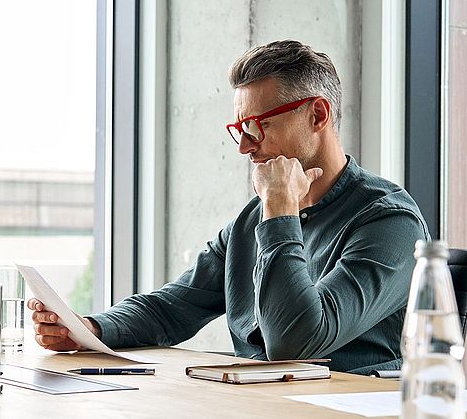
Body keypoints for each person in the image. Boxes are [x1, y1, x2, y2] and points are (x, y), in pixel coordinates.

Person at [28, 40, 429, 374]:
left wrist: (279, 212)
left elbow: (296, 343)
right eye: (239, 128)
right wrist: (90, 327)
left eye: (258, 125)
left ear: (318, 114)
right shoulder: (253, 220)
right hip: (256, 405)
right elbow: (173, 307)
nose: (244, 145)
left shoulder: (388, 221)